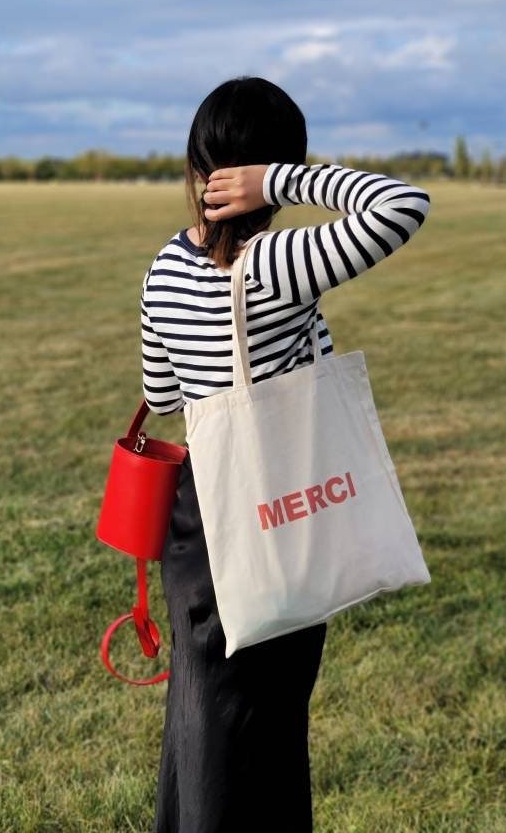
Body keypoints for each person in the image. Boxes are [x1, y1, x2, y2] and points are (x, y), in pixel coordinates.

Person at [141, 76, 431, 832]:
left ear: (199, 160)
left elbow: (162, 390)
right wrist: (281, 182)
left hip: (197, 515)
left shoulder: (166, 265)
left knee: (201, 707)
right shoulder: (280, 261)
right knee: (260, 721)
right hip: (273, 505)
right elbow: (402, 205)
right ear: (270, 165)